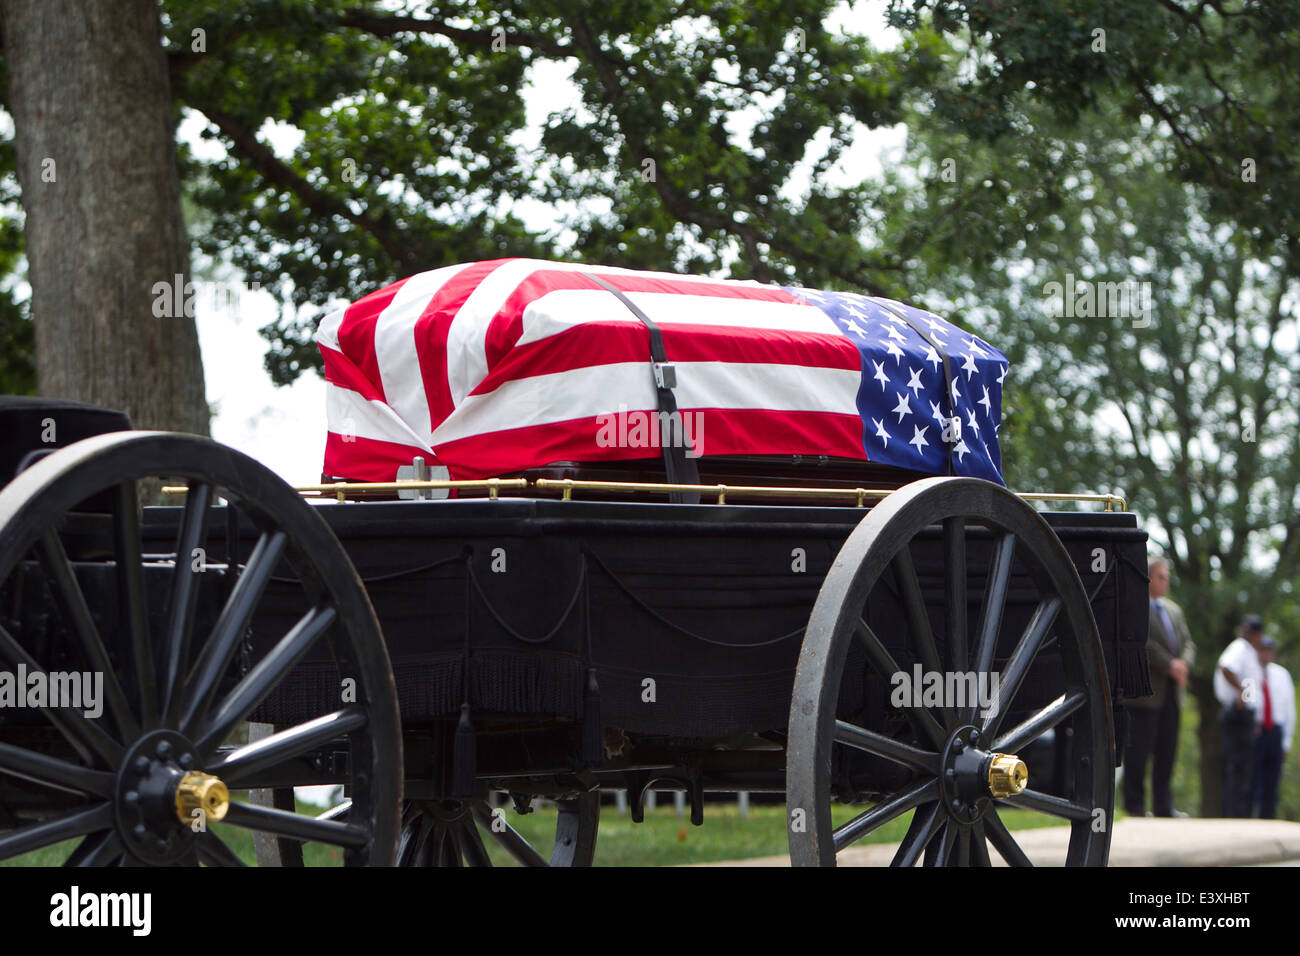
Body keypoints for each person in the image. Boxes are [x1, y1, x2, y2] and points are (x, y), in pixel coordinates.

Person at [1123, 557, 1192, 817]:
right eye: (1162, 576)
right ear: (1150, 578)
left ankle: (1164, 806)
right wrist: (1169, 665)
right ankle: (1135, 805)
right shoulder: (1137, 607)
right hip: (1146, 694)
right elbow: (1143, 642)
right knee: (1139, 751)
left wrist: (1183, 664)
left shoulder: (1174, 610)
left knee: (1167, 750)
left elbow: (1188, 642)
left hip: (1173, 693)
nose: (1167, 581)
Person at [1215, 615, 1267, 817]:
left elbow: (1252, 685)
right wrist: (1240, 693)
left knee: (1244, 765)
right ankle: (1233, 813)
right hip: (1237, 714)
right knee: (1237, 765)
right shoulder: (1239, 648)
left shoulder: (1249, 652)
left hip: (1246, 714)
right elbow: (1226, 668)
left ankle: (1239, 811)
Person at [1250, 637, 1294, 819]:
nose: (1265, 654)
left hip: (1275, 730)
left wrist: (1287, 740)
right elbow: (1248, 701)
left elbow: (1289, 708)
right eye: (1262, 650)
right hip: (1256, 731)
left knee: (1272, 780)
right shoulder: (1250, 673)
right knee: (1253, 778)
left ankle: (1268, 819)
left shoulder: (1282, 675)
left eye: (1269, 650)